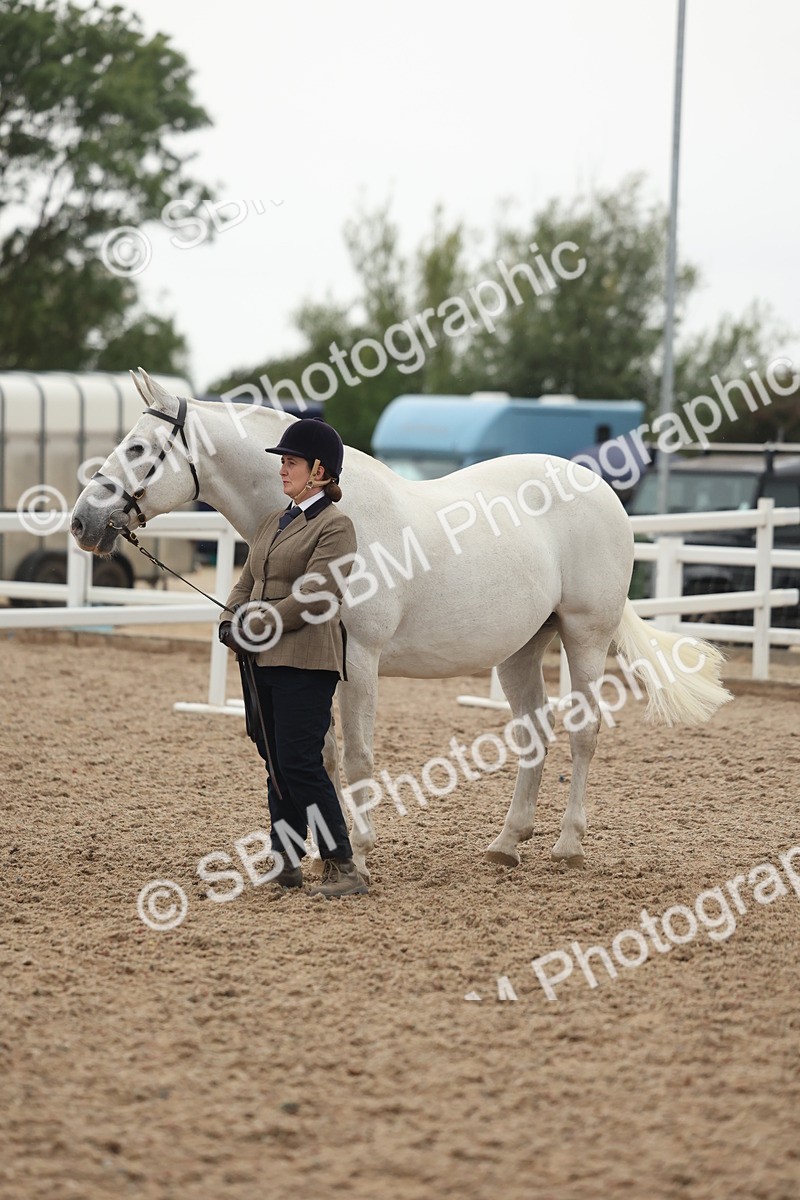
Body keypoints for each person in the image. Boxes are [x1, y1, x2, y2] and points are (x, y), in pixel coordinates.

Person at [217, 418, 366, 899]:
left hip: (306, 660)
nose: (283, 469)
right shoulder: (272, 521)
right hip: (263, 661)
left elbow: (315, 597)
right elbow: (248, 582)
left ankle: (342, 864)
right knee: (277, 764)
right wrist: (230, 617)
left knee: (301, 763)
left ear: (319, 471)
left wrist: (253, 626)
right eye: (282, 461)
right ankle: (286, 860)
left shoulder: (336, 527)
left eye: (291, 462)